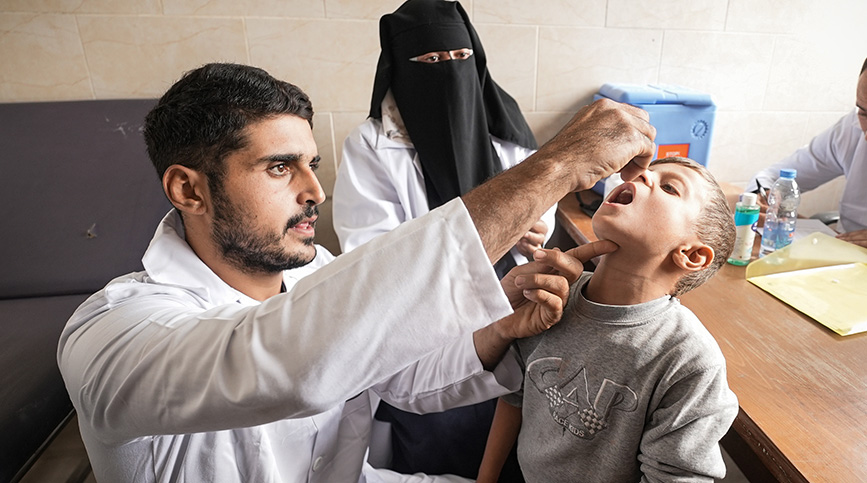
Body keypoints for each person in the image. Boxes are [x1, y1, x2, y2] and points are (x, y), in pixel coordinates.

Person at [56, 62, 656, 483]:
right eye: (278, 168)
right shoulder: (114, 333)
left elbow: (395, 374)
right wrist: (555, 167)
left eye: (311, 164)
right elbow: (292, 364)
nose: (315, 190)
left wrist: (500, 326)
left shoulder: (315, 270)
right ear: (189, 189)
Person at [331, 0, 553, 479]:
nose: (446, 71)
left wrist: (537, 226)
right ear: (399, 67)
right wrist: (483, 234)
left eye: (458, 58)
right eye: (429, 62)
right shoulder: (372, 145)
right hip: (425, 319)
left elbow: (543, 205)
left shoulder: (507, 131)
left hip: (512, 302)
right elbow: (371, 252)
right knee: (434, 422)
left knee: (509, 426)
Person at [478, 157, 740, 482]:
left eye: (670, 187)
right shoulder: (551, 299)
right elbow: (514, 397)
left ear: (692, 255)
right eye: (648, 171)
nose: (642, 174)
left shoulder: (689, 360)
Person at [747, 57, 867, 248]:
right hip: (843, 254)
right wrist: (768, 195)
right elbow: (772, 176)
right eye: (864, 113)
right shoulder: (851, 129)